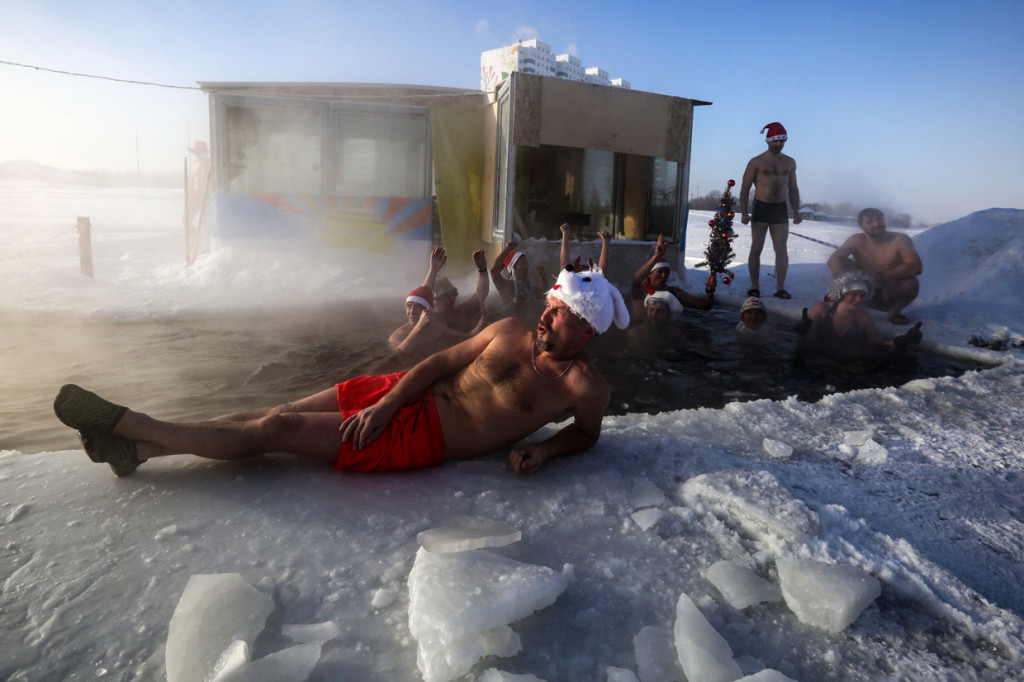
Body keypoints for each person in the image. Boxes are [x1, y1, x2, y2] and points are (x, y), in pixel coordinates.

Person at [53, 267, 631, 479]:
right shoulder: (507, 333)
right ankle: (141, 452)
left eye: (561, 314)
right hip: (395, 396)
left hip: (423, 438)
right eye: (551, 305)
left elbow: (586, 434)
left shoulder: (586, 389)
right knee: (265, 411)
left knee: (275, 429)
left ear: (588, 332)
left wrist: (546, 453)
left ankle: (127, 424)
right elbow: (435, 362)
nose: (547, 316)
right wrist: (383, 403)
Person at [826, 207, 923, 325]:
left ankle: (895, 312)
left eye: (879, 219)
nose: (877, 224)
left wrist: (883, 275)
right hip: (863, 293)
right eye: (870, 222)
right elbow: (834, 259)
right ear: (861, 226)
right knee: (839, 261)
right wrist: (847, 283)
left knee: (911, 283)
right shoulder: (856, 240)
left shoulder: (900, 240)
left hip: (889, 293)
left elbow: (916, 266)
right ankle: (846, 303)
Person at [740, 122, 802, 300]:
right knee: (757, 247)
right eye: (776, 141)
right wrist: (744, 212)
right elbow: (745, 189)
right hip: (762, 206)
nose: (779, 144)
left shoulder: (789, 162)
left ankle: (780, 287)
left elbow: (793, 188)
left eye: (782, 141)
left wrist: (796, 211)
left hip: (780, 208)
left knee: (781, 249)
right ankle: (754, 286)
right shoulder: (756, 162)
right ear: (768, 141)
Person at [794, 272, 923, 358]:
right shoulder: (822, 308)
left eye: (862, 296)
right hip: (816, 358)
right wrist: (802, 329)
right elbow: (810, 334)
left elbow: (879, 343)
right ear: (843, 294)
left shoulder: (863, 318)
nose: (858, 300)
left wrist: (904, 340)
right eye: (854, 295)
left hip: (842, 361)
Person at [629, 234, 715, 321]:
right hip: (643, 330)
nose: (664, 276)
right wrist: (656, 257)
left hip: (665, 331)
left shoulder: (673, 292)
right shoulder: (640, 291)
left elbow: (705, 306)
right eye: (660, 272)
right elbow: (636, 280)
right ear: (649, 274)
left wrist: (710, 291)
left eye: (667, 272)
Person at [422, 247, 491, 333]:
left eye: (453, 294)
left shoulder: (461, 312)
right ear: (436, 300)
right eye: (447, 296)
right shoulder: (429, 318)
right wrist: (433, 270)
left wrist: (482, 270)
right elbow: (421, 297)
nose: (452, 298)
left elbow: (481, 294)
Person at [490, 241, 549, 320]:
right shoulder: (507, 286)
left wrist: (543, 276)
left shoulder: (528, 288)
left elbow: (545, 295)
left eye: (526, 264)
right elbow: (494, 271)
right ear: (513, 269)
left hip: (526, 325)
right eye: (522, 264)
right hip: (510, 326)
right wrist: (507, 249)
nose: (526, 267)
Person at [626, 291, 689, 358]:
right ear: (646, 310)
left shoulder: (676, 336)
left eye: (660, 311)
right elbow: (636, 354)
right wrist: (663, 353)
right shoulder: (634, 334)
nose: (653, 315)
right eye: (651, 309)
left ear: (668, 314)